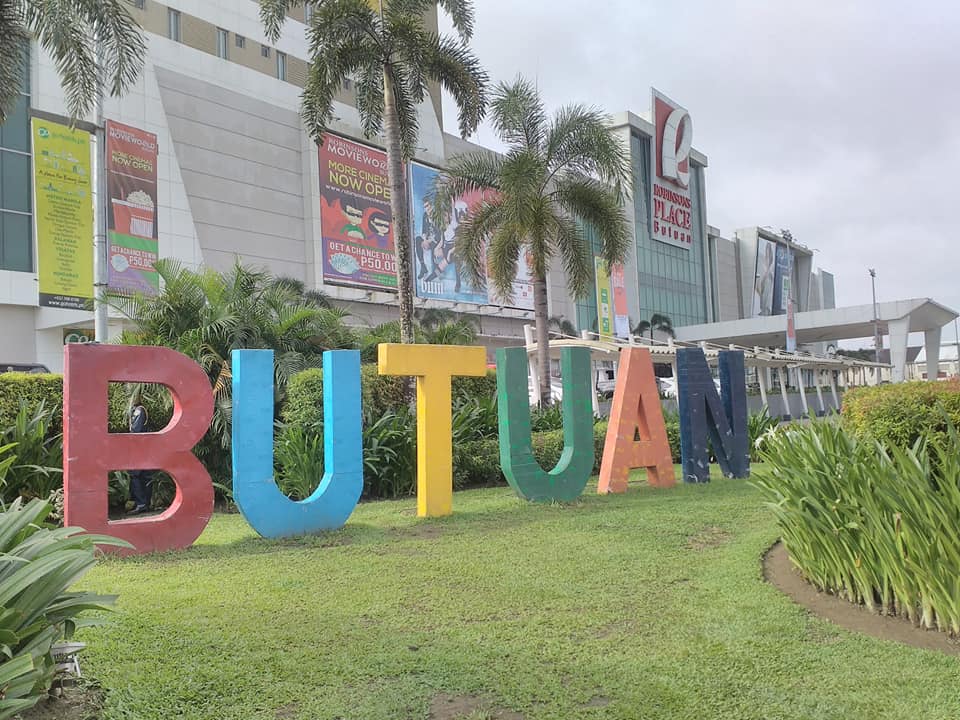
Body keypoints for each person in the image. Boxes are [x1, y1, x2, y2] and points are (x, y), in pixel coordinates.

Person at [128, 400, 152, 514]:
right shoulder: (142, 410)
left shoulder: (139, 410)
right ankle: (145, 503)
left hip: (139, 448)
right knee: (144, 476)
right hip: (146, 448)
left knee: (135, 475)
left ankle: (141, 503)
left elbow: (135, 430)